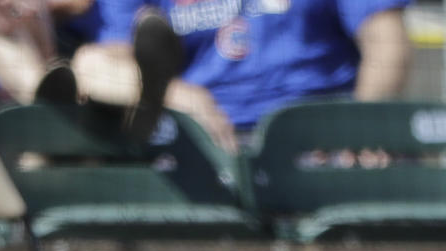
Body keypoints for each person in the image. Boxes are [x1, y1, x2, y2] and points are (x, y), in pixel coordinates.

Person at [68, 0, 412, 153]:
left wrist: (361, 133)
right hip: (201, 138)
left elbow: (386, 43)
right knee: (88, 64)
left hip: (316, 138)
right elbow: (106, 58)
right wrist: (175, 94)